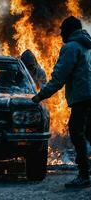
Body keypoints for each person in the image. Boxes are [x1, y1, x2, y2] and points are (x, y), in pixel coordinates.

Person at [32, 16, 91, 188]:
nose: (60, 34)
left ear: (69, 30)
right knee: (88, 134)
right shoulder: (87, 46)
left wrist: (39, 96)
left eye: (62, 30)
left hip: (82, 98)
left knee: (76, 133)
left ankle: (84, 175)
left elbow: (58, 78)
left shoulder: (71, 48)